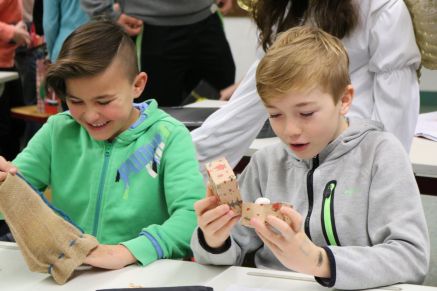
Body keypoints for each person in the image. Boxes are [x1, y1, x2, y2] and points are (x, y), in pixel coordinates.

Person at [191, 26, 429, 290]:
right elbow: (228, 252)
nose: (290, 130)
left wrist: (319, 260)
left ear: (345, 99)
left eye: (306, 113)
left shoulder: (380, 155)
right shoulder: (266, 163)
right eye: (275, 115)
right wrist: (213, 240)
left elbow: (411, 258)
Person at [0, 20, 205, 269]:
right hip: (71, 276)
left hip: (144, 276)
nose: (90, 115)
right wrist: (4, 187)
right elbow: (11, 199)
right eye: (75, 101)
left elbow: (192, 216)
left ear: (137, 85)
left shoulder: (169, 136)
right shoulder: (58, 131)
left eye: (104, 101)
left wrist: (128, 251)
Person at [192, 0, 421, 171]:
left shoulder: (381, 7)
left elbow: (395, 112)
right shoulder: (284, 7)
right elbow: (250, 100)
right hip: (302, 161)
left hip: (355, 154)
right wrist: (187, 156)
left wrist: (379, 176)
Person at [80, 0, 236, 107]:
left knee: (222, 105)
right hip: (148, 26)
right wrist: (107, 14)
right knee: (154, 115)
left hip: (207, 19)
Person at [0, 0, 29, 162]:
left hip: (9, 62)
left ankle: (13, 176)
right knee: (4, 129)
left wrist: (19, 27)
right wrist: (12, 32)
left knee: (17, 125)